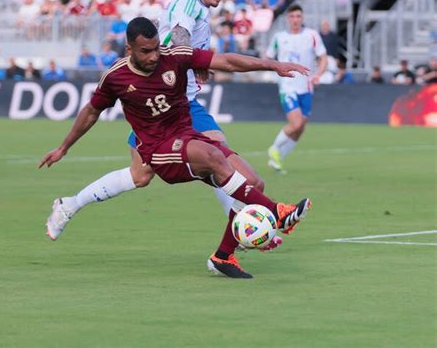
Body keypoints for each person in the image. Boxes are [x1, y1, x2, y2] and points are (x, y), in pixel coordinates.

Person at [39, 17, 312, 279]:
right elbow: (90, 112)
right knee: (211, 156)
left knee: (253, 182)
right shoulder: (116, 77)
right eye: (146, 51)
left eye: (156, 48)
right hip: (158, 150)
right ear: (129, 49)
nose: (154, 56)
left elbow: (226, 61)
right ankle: (277, 212)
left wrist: (272, 65)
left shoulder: (175, 56)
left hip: (187, 134)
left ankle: (223, 256)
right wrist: (64, 147)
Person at [44, 0, 275, 248]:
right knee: (219, 159)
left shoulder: (198, 8)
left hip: (171, 106)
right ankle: (244, 231)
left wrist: (196, 60)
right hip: (170, 106)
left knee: (141, 175)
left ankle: (69, 205)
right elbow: (178, 38)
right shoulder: (187, 5)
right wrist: (191, 60)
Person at [266, 4, 328, 173]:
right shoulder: (279, 37)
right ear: (288, 18)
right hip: (287, 87)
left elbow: (323, 58)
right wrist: (275, 72)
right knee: (296, 123)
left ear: (302, 18)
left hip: (306, 88)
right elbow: (268, 58)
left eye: (298, 16)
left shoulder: (312, 35)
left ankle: (277, 160)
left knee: (300, 128)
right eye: (292, 16)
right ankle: (274, 148)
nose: (295, 20)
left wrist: (318, 75)